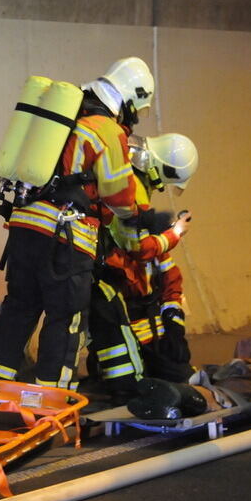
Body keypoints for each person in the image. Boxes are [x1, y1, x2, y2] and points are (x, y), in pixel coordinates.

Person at [0, 57, 154, 390]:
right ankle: (51, 396)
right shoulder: (106, 129)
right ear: (131, 98)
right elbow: (118, 194)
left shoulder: (65, 114)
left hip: (23, 226)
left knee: (19, 307)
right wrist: (137, 215)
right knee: (66, 317)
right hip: (66, 237)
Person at [88, 133, 197, 404]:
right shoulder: (123, 252)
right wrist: (174, 235)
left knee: (178, 373)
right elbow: (141, 248)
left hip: (148, 331)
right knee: (127, 376)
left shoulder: (153, 247)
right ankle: (125, 384)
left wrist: (175, 327)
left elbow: (172, 285)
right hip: (121, 324)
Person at [127, 336, 251, 420]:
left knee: (218, 392)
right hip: (245, 379)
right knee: (219, 393)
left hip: (246, 379)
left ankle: (179, 394)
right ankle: (179, 396)